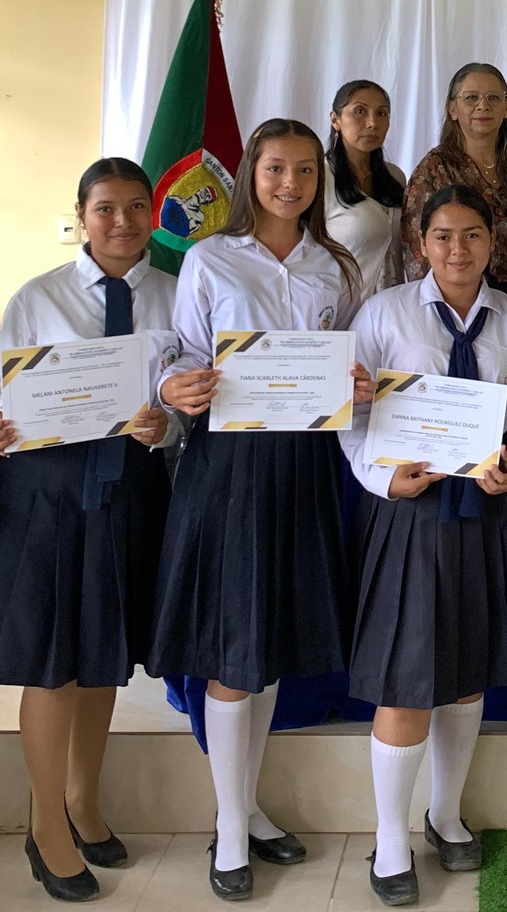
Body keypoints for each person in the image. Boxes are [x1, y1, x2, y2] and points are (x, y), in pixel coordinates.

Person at [148, 118, 365, 901]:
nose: (290, 184)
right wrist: (173, 386)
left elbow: (347, 359)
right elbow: (183, 354)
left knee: (269, 640)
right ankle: (232, 832)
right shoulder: (210, 258)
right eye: (276, 168)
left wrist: (357, 382)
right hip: (229, 469)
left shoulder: (335, 267)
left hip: (305, 468)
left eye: (305, 171)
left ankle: (247, 809)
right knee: (232, 650)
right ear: (251, 174)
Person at [0, 159, 177, 900]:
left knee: (102, 654)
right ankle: (45, 826)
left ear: (153, 211)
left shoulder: (177, 294)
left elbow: (192, 395)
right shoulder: (39, 296)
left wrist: (166, 424)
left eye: (135, 207)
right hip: (48, 493)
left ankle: (83, 801)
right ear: (82, 215)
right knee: (52, 660)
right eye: (105, 209)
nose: (121, 222)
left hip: (131, 488)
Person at [344, 186, 507, 906]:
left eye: (472, 235)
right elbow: (350, 415)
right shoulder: (384, 313)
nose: (458, 250)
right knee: (406, 681)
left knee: (467, 675)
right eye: (442, 236)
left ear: (492, 241)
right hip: (412, 514)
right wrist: (381, 478)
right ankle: (389, 839)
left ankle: (445, 814)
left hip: (488, 512)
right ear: (420, 242)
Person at [402, 63, 507, 300]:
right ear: (452, 109)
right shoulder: (435, 168)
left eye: (493, 97)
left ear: (506, 108)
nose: (483, 106)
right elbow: (418, 248)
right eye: (471, 98)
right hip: (459, 295)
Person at [326, 80, 408, 298]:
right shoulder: (320, 178)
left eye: (381, 113)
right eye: (360, 111)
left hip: (391, 308)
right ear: (335, 120)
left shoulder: (395, 177)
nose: (372, 123)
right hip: (340, 307)